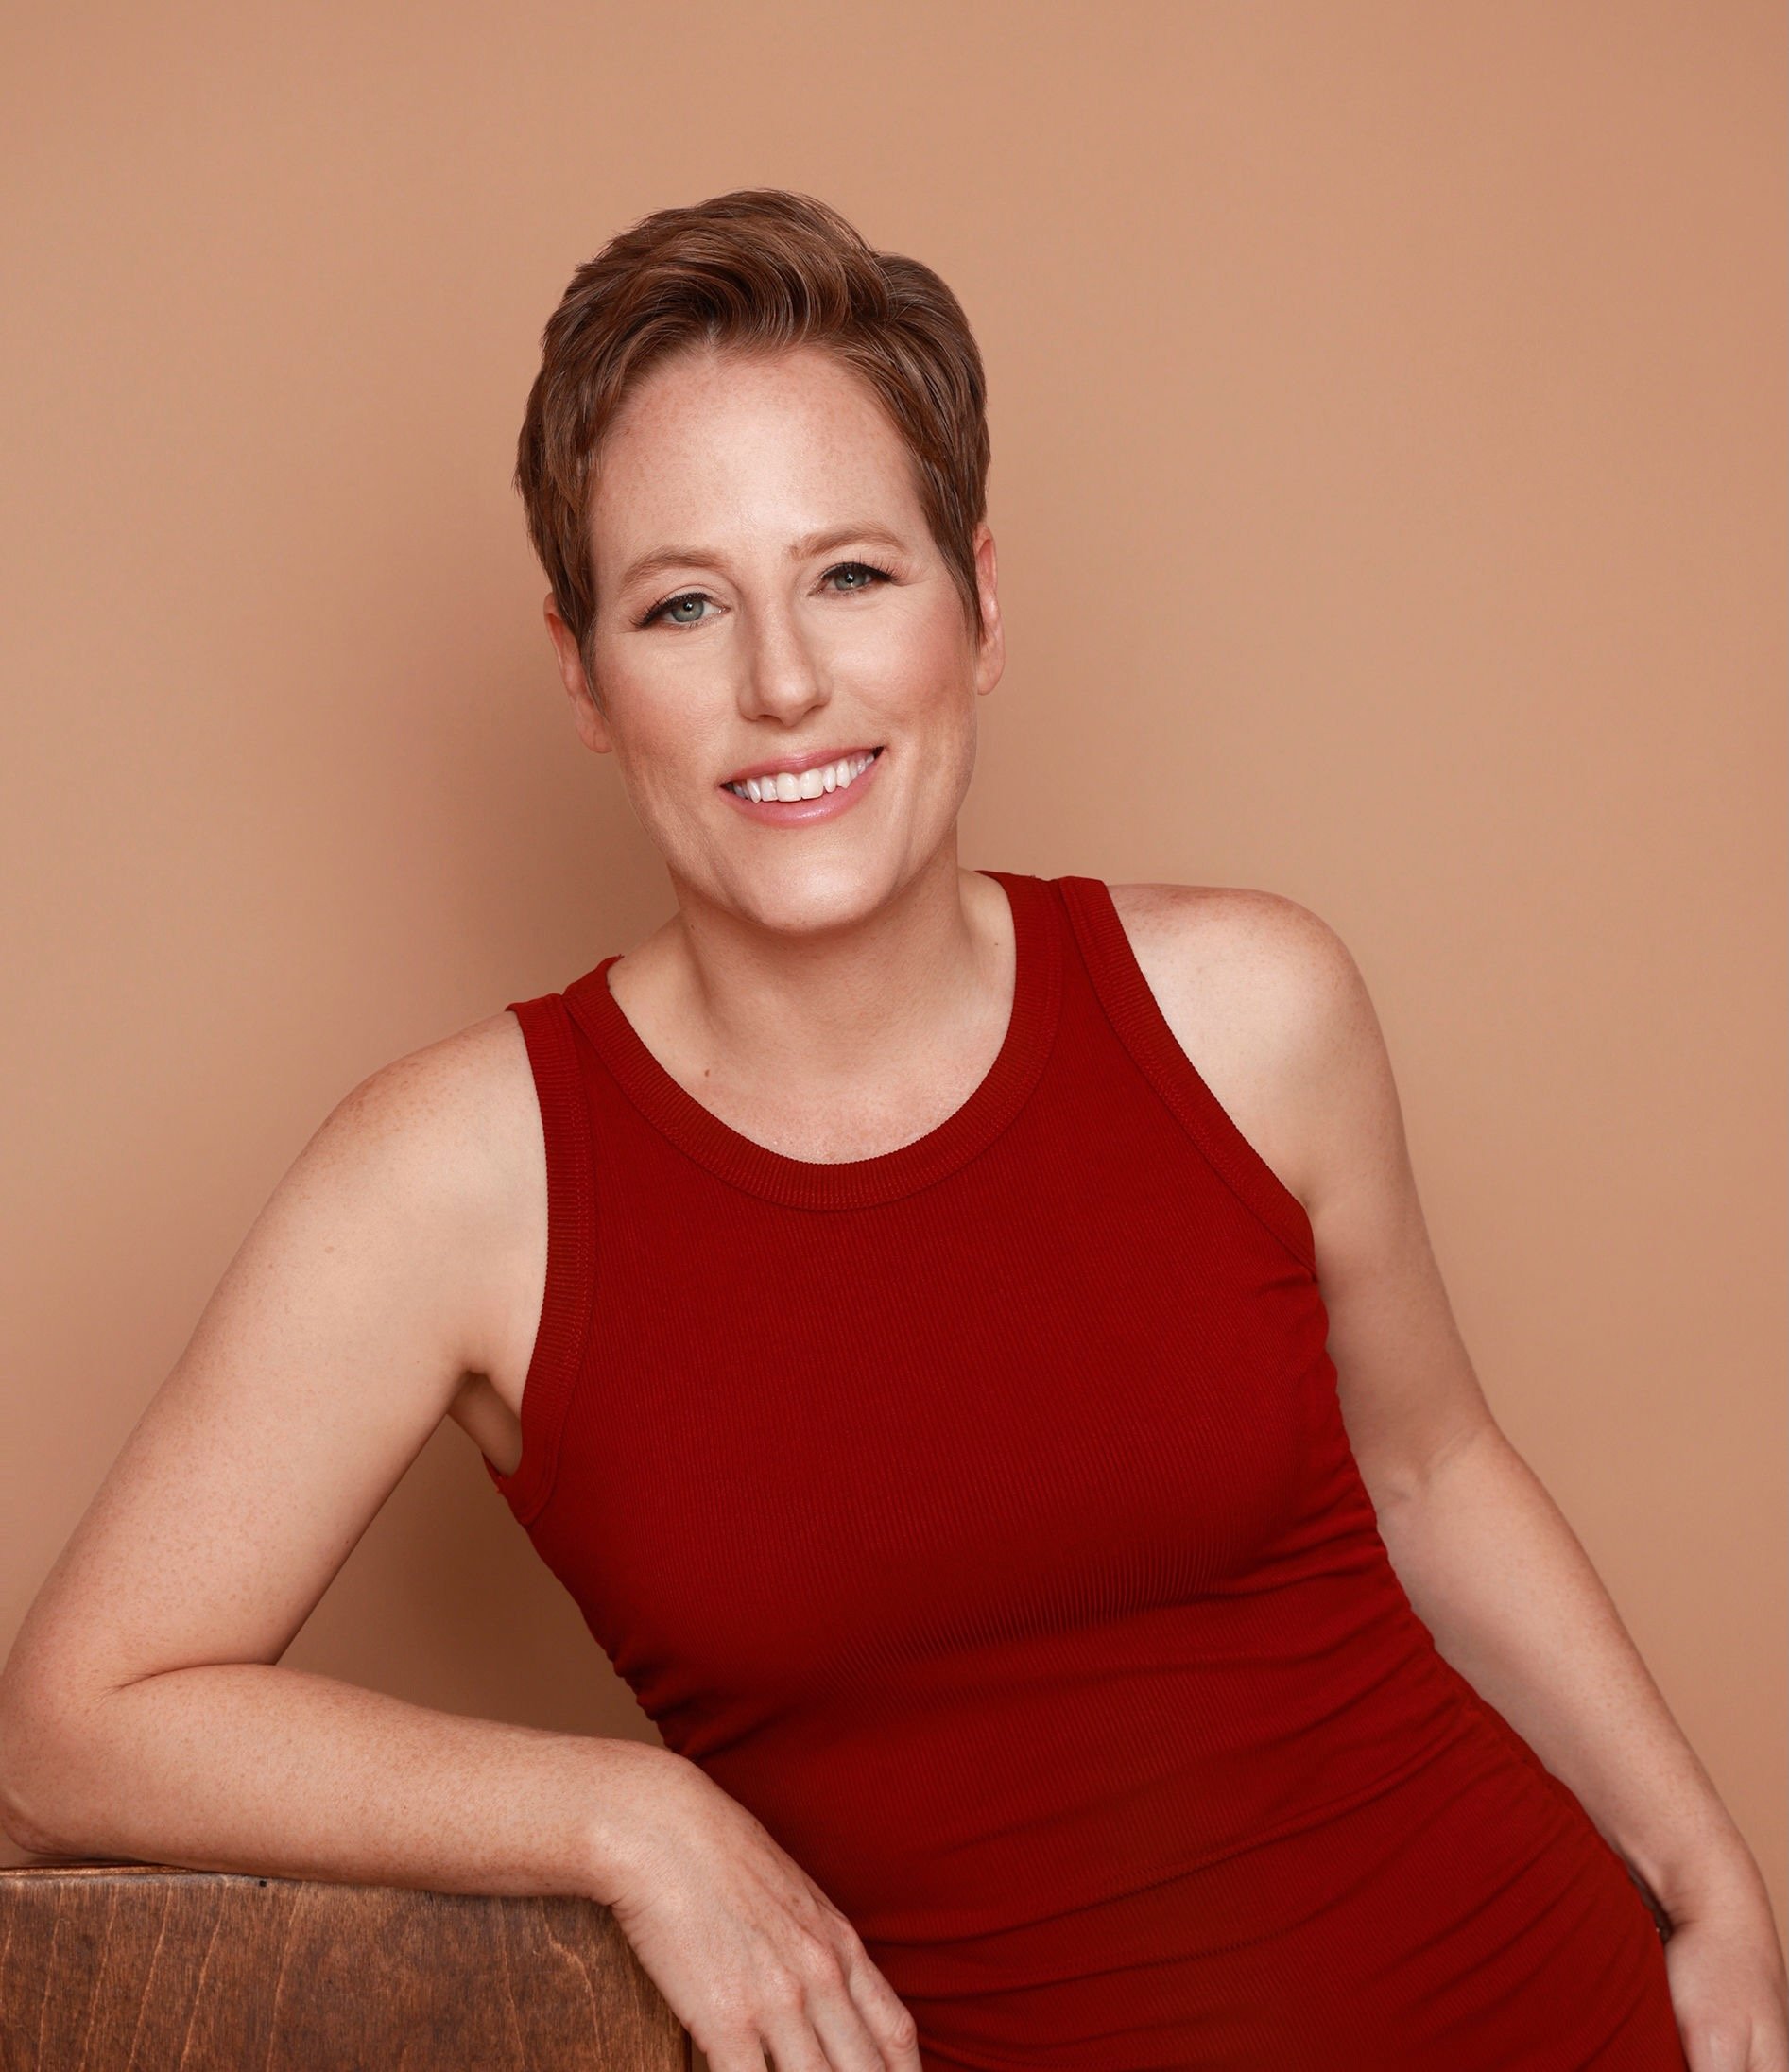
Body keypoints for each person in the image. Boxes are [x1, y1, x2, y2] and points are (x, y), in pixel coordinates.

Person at [0, 186, 1780, 2072]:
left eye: (851, 575)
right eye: (682, 605)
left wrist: (1712, 1888)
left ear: (979, 603)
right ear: (585, 678)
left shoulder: (1250, 1007)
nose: (783, 682)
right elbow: (68, 1732)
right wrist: (627, 1818)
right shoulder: (456, 1181)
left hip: (1548, 2012)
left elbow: (1431, 1470)